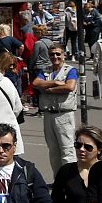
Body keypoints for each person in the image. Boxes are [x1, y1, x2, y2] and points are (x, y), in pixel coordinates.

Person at [33, 44, 79, 175]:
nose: (55, 57)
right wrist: (56, 83)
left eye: (58, 54)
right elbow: (36, 83)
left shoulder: (70, 70)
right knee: (53, 150)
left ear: (64, 55)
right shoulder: (45, 71)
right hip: (48, 114)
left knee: (67, 149)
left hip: (64, 114)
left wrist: (50, 89)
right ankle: (58, 180)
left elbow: (70, 86)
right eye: (52, 54)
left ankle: (70, 180)